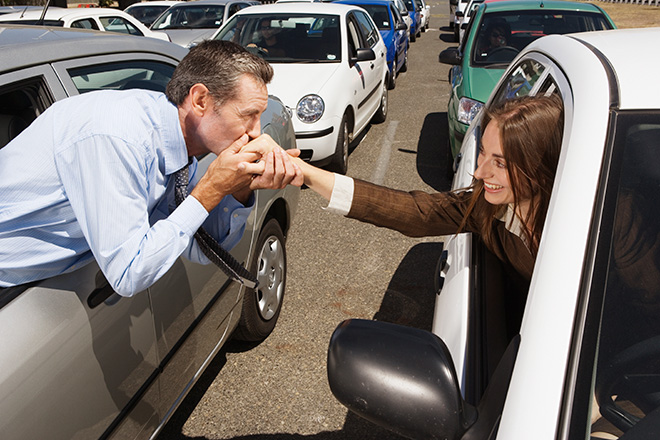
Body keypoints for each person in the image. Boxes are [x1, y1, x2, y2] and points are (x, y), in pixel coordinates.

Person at [0, 40, 303, 296]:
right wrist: (209, 190)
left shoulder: (177, 148)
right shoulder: (119, 139)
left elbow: (199, 247)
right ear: (199, 100)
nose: (256, 132)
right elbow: (129, 274)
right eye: (248, 115)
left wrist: (237, 189)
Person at [294, 94, 564, 285]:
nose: (480, 173)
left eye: (501, 163)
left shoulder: (584, 231)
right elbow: (413, 211)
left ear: (540, 166)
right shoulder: (488, 209)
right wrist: (306, 173)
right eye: (482, 152)